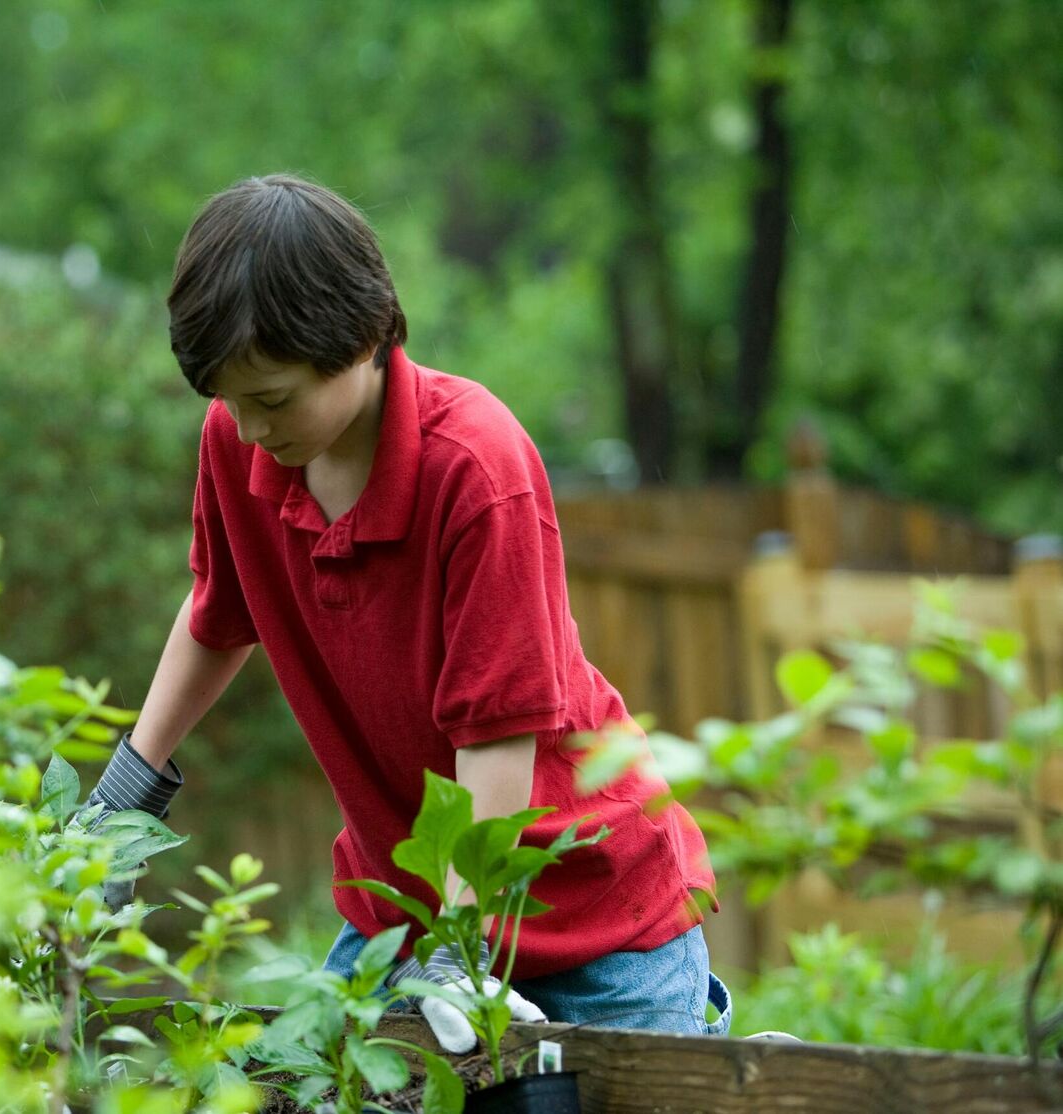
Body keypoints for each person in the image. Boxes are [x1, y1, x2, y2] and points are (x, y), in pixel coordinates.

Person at [83, 174, 729, 1050]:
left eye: (271, 398)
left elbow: (496, 737)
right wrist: (122, 804)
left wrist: (465, 951)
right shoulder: (238, 448)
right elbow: (216, 613)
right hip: (410, 914)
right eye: (225, 400)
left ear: (361, 337)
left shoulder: (474, 466)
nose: (245, 427)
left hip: (595, 919)